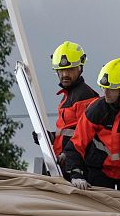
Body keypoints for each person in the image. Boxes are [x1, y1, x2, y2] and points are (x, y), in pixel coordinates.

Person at [63, 58, 120, 193]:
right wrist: (76, 175)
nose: (105, 92)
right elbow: (76, 144)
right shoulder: (95, 110)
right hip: (98, 170)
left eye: (111, 89)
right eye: (104, 87)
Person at [38, 41, 99, 178]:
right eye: (61, 70)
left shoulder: (85, 96)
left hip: (79, 168)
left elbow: (85, 135)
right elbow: (68, 131)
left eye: (70, 69)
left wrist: (69, 156)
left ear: (80, 68)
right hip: (65, 165)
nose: (65, 74)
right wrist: (51, 137)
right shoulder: (69, 96)